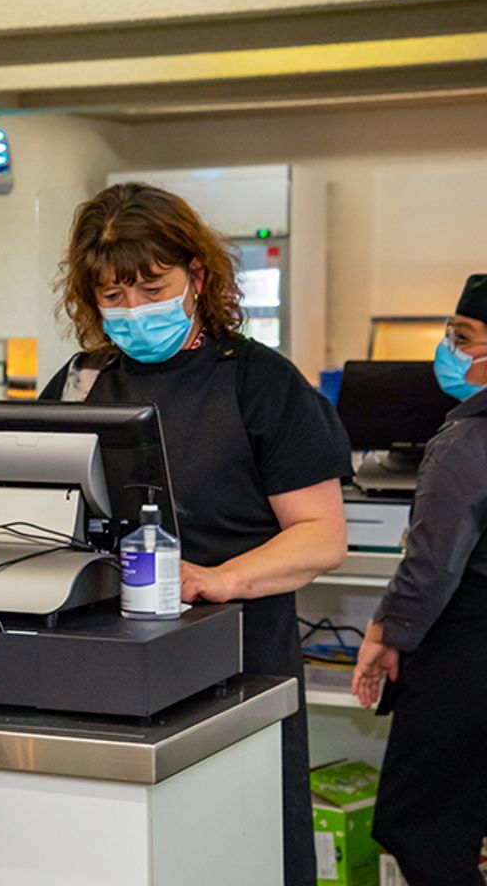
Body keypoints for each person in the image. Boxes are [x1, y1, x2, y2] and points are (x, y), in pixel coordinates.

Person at [41, 183, 349, 886]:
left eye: (151, 289)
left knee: (241, 846)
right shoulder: (83, 383)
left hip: (239, 663)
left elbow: (321, 536)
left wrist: (218, 579)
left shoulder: (261, 384)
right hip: (107, 662)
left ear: (198, 277)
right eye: (111, 298)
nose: (131, 312)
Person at [352, 273, 487, 886]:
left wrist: (385, 632)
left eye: (462, 337)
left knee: (423, 827)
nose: (449, 349)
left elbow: (432, 563)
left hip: (467, 654)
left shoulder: (468, 440)